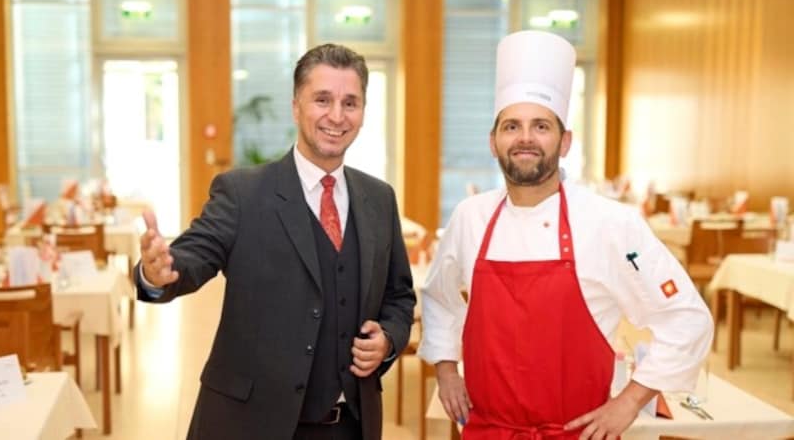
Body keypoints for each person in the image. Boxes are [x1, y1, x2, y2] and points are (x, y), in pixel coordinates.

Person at [417, 30, 713, 440]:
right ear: (493, 142)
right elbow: (439, 297)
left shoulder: (610, 222)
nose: (524, 138)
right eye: (511, 126)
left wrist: (628, 401)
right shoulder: (470, 217)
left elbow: (687, 317)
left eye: (540, 126)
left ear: (565, 141)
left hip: (576, 433)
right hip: (489, 431)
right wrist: (446, 369)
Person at [136, 43, 416, 440]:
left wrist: (388, 339)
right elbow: (196, 253)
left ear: (363, 112)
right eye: (322, 100)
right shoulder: (242, 193)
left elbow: (399, 297)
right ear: (296, 106)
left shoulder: (379, 198)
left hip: (351, 425)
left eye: (350, 103)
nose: (336, 115)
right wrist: (159, 273)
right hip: (249, 424)